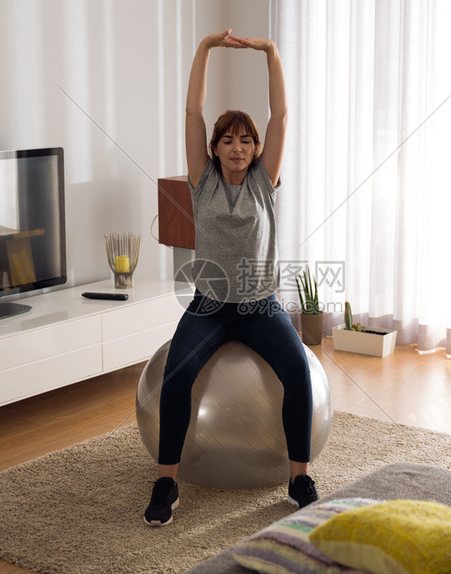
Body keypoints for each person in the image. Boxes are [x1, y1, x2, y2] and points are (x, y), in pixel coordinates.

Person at [143, 29, 318, 526]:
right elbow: (191, 114)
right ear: (215, 149)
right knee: (177, 377)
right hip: (209, 306)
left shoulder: (266, 181)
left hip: (261, 306)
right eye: (228, 140)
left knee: (299, 373)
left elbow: (281, 115)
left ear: (257, 148)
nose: (237, 147)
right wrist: (203, 48)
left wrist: (270, 52)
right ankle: (166, 482)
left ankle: (299, 476)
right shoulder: (202, 182)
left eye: (246, 140)